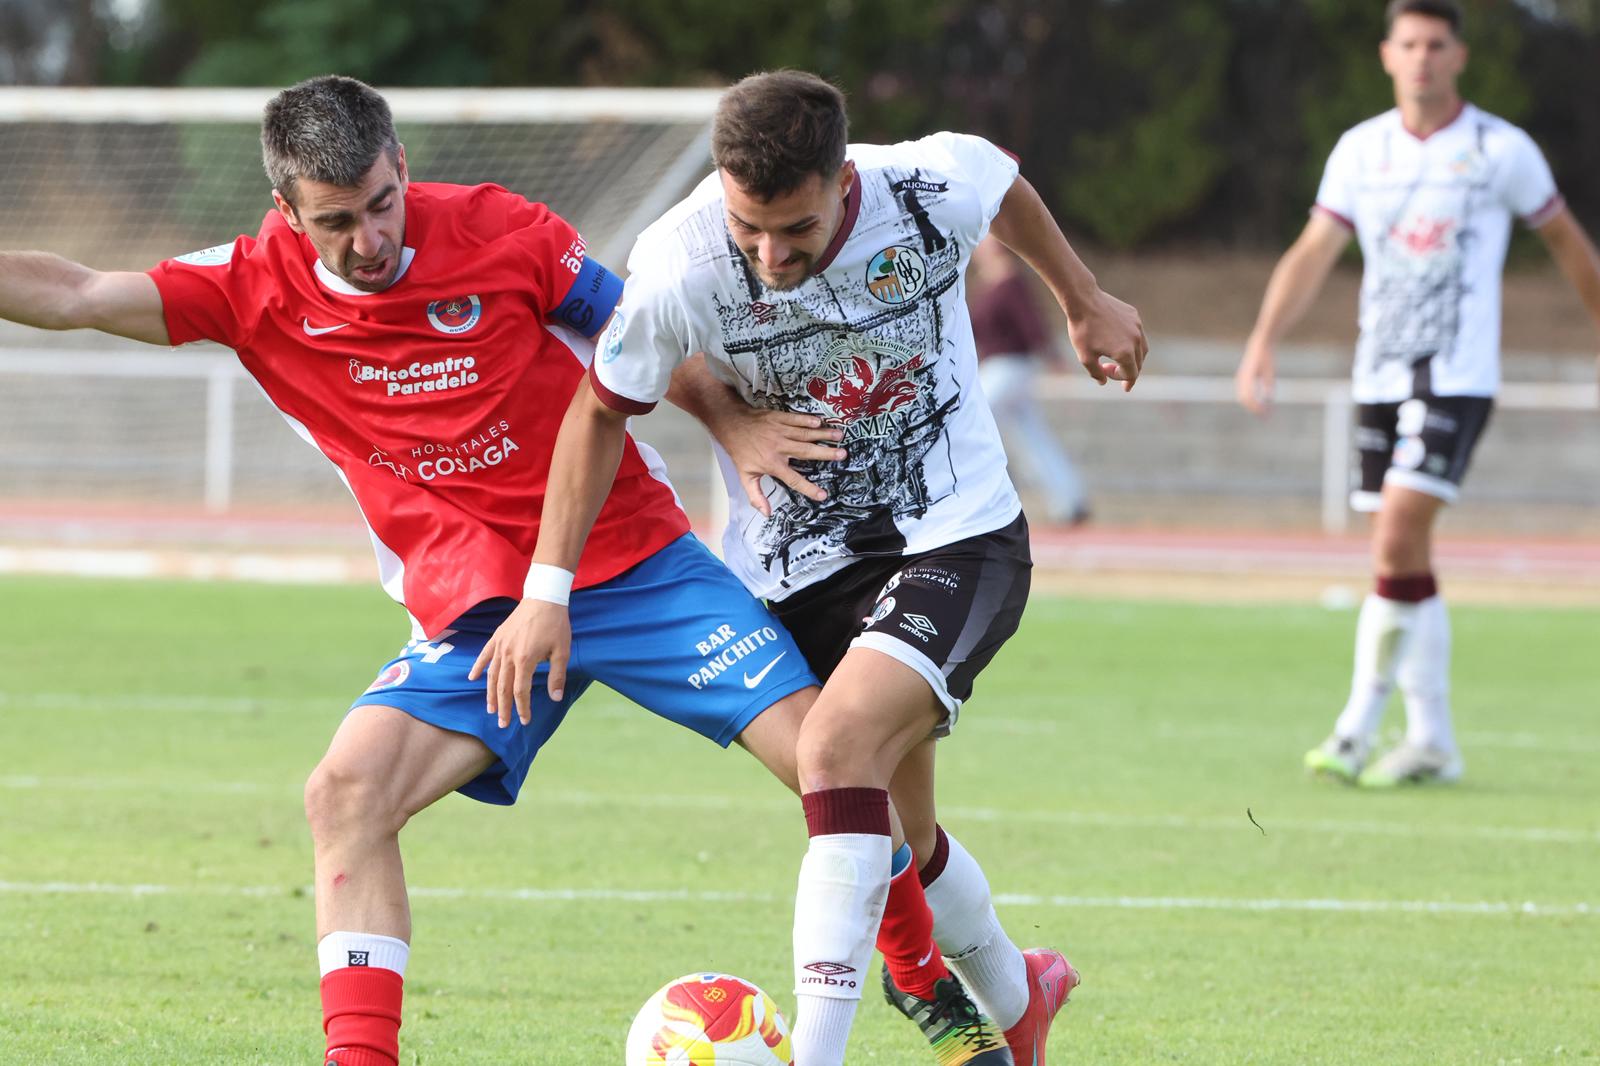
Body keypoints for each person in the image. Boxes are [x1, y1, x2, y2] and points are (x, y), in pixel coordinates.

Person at [0, 75, 836, 1066]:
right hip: (479, 610)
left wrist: (733, 424)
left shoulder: (504, 230)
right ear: (286, 211)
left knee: (837, 768)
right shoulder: (251, 284)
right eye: (336, 220)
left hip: (634, 562)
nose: (368, 237)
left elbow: (637, 337)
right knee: (345, 793)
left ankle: (966, 1000)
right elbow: (78, 293)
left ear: (401, 163)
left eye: (380, 202)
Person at [476, 70, 1148, 1066]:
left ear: (844, 180)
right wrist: (546, 591)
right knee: (897, 839)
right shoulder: (677, 259)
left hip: (953, 533)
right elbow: (599, 411)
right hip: (794, 568)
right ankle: (1021, 993)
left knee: (833, 753)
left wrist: (1082, 298)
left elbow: (1000, 180)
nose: (769, 253)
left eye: (794, 227)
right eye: (751, 227)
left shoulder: (924, 185)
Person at [1235, 0, 1600, 787]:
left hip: (1457, 377)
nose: (1424, 58)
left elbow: (1568, 242)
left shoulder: (1500, 150)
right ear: (1387, 55)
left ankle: (1355, 728)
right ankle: (1433, 740)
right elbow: (1313, 251)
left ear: (1459, 56)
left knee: (1397, 536)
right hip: (1380, 374)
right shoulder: (1361, 151)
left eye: (1438, 44)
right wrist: (1264, 338)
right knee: (1407, 558)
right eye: (1410, 44)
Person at [969, 236, 1092, 525]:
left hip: (1010, 368)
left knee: (973, 419)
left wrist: (1054, 359)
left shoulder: (1011, 283)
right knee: (1032, 436)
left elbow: (1032, 324)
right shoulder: (986, 285)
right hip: (996, 369)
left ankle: (992, 497)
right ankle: (1070, 501)